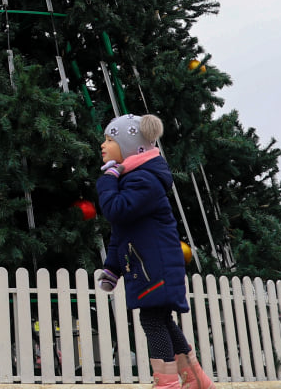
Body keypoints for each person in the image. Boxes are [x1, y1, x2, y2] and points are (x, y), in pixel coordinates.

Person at [95, 114, 214, 389]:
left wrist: (107, 181)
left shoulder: (144, 180)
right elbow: (122, 229)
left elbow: (116, 210)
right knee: (160, 319)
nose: (103, 145)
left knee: (152, 320)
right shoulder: (135, 179)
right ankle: (196, 379)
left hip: (153, 264)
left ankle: (167, 383)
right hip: (147, 263)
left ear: (129, 146)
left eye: (110, 140)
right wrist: (112, 268)